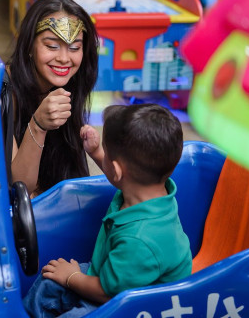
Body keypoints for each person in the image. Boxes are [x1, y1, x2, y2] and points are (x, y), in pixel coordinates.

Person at [23, 103, 192, 317]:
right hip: (117, 276)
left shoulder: (140, 239)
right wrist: (97, 152)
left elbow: (107, 293)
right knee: (50, 281)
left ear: (118, 170)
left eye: (107, 154)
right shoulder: (150, 190)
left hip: (134, 304)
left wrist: (71, 277)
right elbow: (120, 176)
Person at [2, 0, 99, 197]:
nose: (64, 58)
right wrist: (38, 125)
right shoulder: (2, 92)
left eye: (74, 48)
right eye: (52, 46)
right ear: (29, 45)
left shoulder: (73, 83)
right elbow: (18, 190)